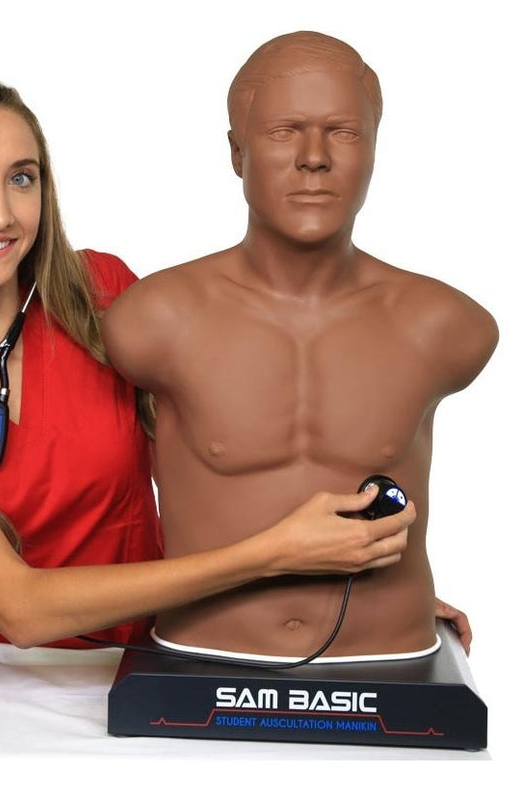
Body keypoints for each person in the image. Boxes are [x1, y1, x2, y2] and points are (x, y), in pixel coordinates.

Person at [0, 72, 467, 655]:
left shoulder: (101, 296)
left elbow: (222, 463)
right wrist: (276, 555)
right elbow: (19, 609)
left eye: (22, 177)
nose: (0, 213)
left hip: (158, 650)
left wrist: (362, 600)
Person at [102, 32, 494, 662]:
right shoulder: (153, 320)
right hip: (204, 650)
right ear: (237, 153)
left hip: (387, 650)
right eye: (285, 131)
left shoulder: (446, 325)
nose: (314, 158)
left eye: (343, 132)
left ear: (374, 150)